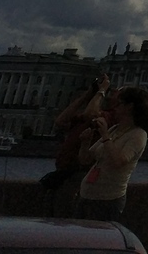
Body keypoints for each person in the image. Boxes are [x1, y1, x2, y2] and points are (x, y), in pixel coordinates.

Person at [77, 86, 148, 223]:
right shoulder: (114, 129)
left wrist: (105, 135)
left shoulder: (138, 134)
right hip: (86, 196)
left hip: (108, 200)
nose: (114, 107)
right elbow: (85, 160)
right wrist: (85, 142)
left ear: (130, 107)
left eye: (119, 104)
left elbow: (118, 162)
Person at [41, 74, 110, 213]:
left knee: (63, 221)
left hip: (78, 177)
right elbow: (60, 121)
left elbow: (91, 113)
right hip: (63, 174)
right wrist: (87, 95)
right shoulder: (83, 118)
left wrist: (101, 91)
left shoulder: (106, 118)